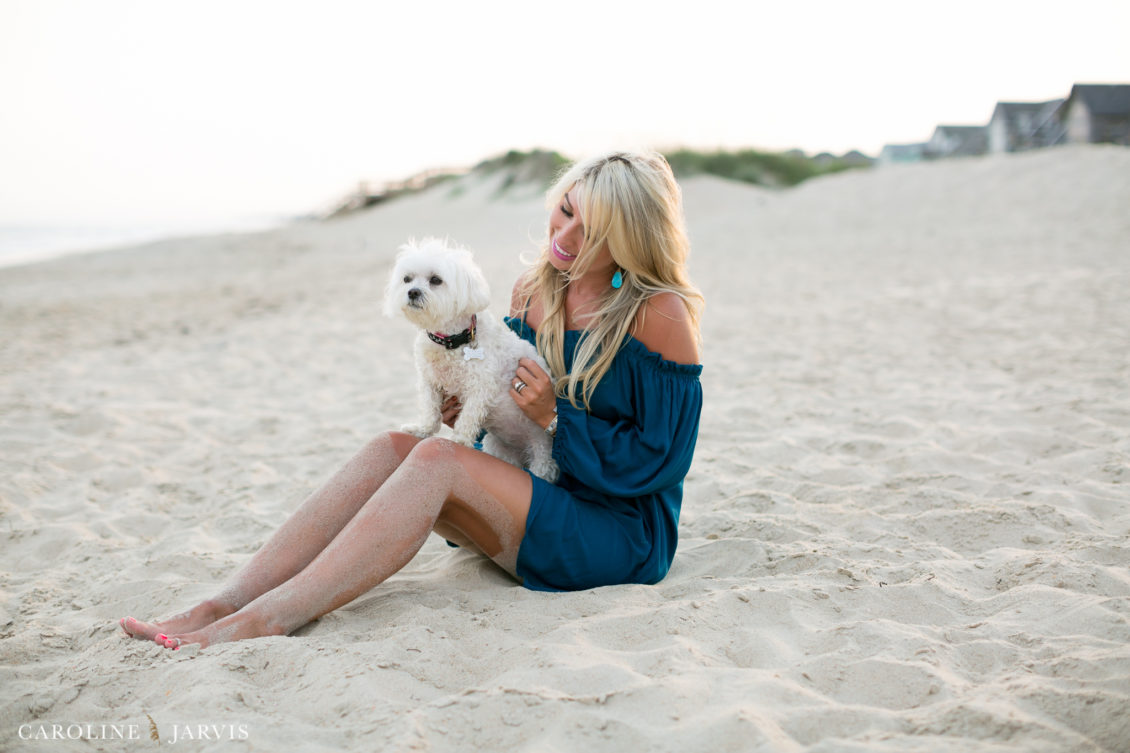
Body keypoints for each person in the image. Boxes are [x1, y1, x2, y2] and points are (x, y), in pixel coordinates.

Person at [119, 151, 704, 650]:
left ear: (629, 240)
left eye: (592, 232)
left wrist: (555, 415)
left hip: (617, 529)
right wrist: (464, 412)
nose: (565, 237)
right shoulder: (534, 289)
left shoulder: (659, 314)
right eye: (566, 210)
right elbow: (495, 388)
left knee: (436, 460)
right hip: (529, 486)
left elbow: (662, 460)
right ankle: (223, 605)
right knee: (401, 443)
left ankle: (268, 619)